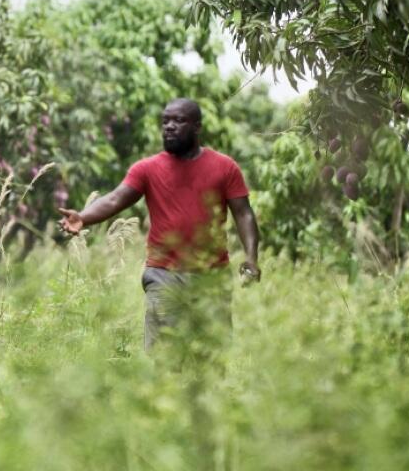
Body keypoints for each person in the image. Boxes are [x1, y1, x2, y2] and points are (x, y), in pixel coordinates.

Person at [58, 98, 260, 352]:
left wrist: (251, 258)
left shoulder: (225, 167)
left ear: (197, 127)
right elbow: (115, 199)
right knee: (164, 356)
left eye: (178, 120)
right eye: (165, 121)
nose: (169, 126)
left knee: (211, 357)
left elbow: (244, 214)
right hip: (164, 275)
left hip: (212, 278)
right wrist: (83, 217)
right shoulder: (147, 169)